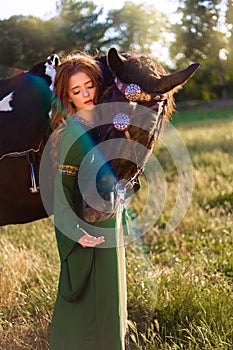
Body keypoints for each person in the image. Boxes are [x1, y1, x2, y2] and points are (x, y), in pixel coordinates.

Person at [49, 53, 127, 350]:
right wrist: (75, 231)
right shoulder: (73, 132)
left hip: (111, 219)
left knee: (110, 297)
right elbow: (62, 189)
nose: (86, 95)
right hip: (87, 227)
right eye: (76, 91)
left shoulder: (108, 124)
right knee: (92, 303)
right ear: (67, 98)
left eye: (89, 86)